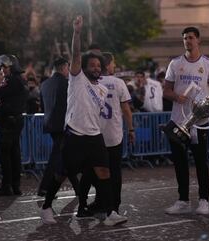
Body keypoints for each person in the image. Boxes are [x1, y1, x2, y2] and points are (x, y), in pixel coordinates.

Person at [40, 16, 127, 226]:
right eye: (93, 65)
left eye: (99, 65)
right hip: (74, 135)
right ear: (83, 67)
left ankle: (109, 213)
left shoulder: (103, 88)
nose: (97, 68)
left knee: (104, 172)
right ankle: (46, 207)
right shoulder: (76, 79)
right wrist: (77, 33)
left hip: (94, 136)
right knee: (61, 174)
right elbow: (77, 54)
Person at [163, 26, 209, 215]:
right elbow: (166, 90)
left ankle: (204, 200)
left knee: (201, 162)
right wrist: (176, 96)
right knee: (179, 163)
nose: (188, 41)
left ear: (198, 41)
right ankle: (183, 200)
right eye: (185, 38)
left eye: (191, 38)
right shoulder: (175, 63)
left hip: (199, 122)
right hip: (179, 122)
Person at [77, 52, 135, 216]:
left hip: (93, 134)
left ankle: (85, 205)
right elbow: (126, 110)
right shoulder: (118, 83)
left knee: (89, 173)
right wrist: (131, 129)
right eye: (113, 63)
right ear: (107, 64)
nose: (114, 66)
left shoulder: (88, 83)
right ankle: (113, 206)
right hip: (113, 135)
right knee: (114, 174)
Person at [37, 57, 80, 197]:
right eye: (68, 68)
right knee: (57, 157)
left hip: (50, 124)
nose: (69, 71)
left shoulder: (44, 84)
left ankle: (78, 189)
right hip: (64, 125)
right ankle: (44, 188)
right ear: (63, 68)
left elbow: (43, 107)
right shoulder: (66, 84)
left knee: (66, 157)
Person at [0, 54, 28, 196]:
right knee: (14, 153)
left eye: (4, 67)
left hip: (10, 122)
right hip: (15, 121)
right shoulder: (20, 80)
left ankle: (7, 186)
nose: (2, 71)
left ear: (10, 67)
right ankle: (15, 186)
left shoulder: (13, 81)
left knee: (4, 153)